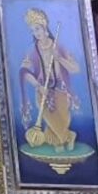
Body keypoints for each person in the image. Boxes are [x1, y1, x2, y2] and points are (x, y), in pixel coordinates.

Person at [19, 8, 81, 152]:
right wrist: (38, 86)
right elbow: (24, 72)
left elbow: (75, 69)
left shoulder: (59, 46)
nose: (36, 33)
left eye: (38, 28)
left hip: (60, 90)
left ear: (45, 26)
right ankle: (68, 137)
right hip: (43, 92)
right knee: (52, 120)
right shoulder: (32, 51)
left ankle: (61, 139)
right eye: (33, 30)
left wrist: (58, 58)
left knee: (63, 120)